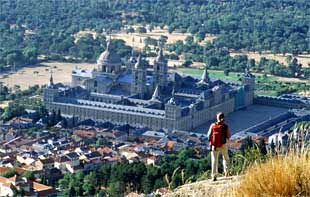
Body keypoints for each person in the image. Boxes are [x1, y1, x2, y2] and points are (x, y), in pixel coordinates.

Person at [207, 112, 231, 181]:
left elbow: (208, 135)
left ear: (217, 118)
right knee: (225, 158)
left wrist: (211, 142)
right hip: (223, 144)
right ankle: (227, 173)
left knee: (214, 160)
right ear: (223, 118)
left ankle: (214, 176)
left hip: (214, 145)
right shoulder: (225, 126)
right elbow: (228, 136)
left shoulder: (213, 125)